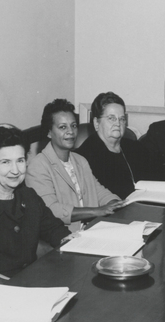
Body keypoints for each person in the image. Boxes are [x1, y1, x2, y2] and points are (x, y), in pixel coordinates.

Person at [0, 125, 72, 279]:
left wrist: (74, 242)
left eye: (20, 160)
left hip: (33, 278)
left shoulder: (29, 196)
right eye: (5, 162)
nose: (15, 170)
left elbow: (54, 229)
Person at [26, 98, 124, 233]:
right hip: (64, 236)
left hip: (93, 230)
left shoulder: (80, 160)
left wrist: (115, 202)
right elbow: (51, 210)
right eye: (62, 127)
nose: (70, 131)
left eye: (73, 125)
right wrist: (97, 211)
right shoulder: (37, 167)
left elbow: (98, 191)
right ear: (49, 132)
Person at [76, 92, 162, 198]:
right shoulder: (85, 156)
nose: (118, 123)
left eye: (121, 119)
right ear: (96, 123)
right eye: (111, 118)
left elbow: (157, 178)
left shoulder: (135, 147)